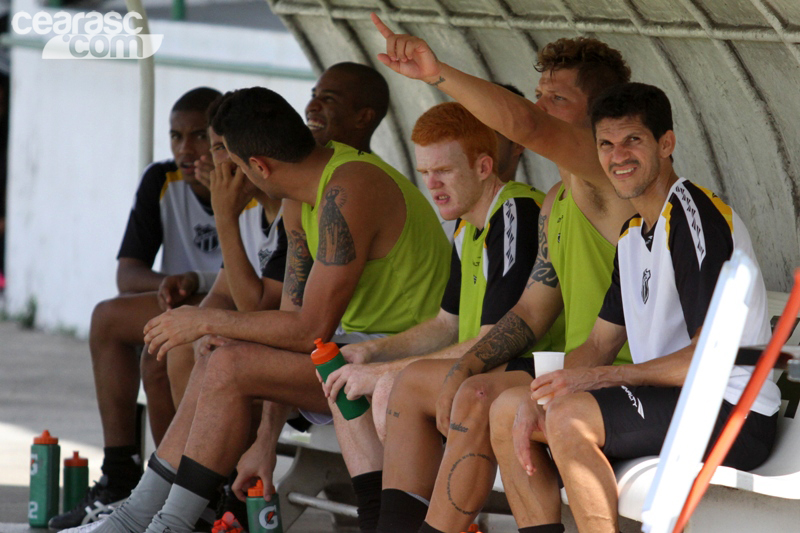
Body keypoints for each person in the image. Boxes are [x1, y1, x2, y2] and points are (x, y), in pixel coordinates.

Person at [63, 85, 450, 533]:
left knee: (224, 355)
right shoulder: (298, 196)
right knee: (217, 351)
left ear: (259, 167)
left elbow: (308, 330)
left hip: (411, 357)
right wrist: (265, 439)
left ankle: (164, 524)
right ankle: (141, 517)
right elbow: (289, 329)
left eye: (232, 159)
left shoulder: (350, 188)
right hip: (348, 355)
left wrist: (205, 316)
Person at [369, 16, 635, 533]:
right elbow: (533, 308)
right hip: (569, 370)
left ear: (600, 114)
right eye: (537, 95)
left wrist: (436, 73)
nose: (538, 109)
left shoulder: (607, 176)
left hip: (618, 371)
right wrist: (467, 363)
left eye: (556, 98)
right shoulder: (558, 199)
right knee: (419, 381)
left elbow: (527, 127)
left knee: (484, 398)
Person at [503, 82, 780, 533]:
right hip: (674, 401)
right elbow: (598, 342)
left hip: (732, 411)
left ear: (666, 144)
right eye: (606, 145)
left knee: (570, 417)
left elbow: (709, 359)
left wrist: (593, 381)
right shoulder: (633, 233)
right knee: (510, 408)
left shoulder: (694, 218)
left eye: (633, 140)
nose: (619, 156)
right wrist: (539, 394)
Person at [320, 100, 558, 529]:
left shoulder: (516, 212)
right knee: (356, 378)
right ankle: (384, 521)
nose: (432, 184)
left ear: (484, 166)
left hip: (527, 372)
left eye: (444, 171)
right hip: (484, 375)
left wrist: (387, 371)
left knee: (400, 383)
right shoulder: (467, 227)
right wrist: (373, 352)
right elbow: (445, 324)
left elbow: (492, 341)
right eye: (425, 172)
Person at [48, 88, 225, 530]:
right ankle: (121, 473)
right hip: (185, 299)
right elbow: (127, 275)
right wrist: (165, 283)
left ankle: (187, 489)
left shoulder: (248, 180)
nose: (186, 149)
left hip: (237, 301)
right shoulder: (161, 181)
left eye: (199, 136)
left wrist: (199, 283)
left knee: (160, 353)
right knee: (107, 318)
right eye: (176, 136)